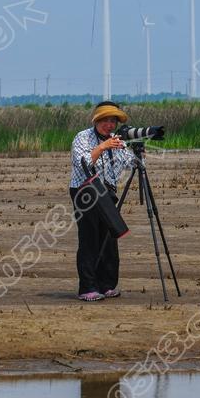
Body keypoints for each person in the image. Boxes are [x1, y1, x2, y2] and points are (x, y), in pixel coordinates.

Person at [69, 101, 135, 301]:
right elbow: (83, 164)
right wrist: (103, 146)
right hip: (85, 191)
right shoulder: (83, 137)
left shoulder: (117, 140)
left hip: (107, 192)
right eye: (105, 120)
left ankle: (107, 284)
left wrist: (137, 153)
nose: (110, 125)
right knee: (89, 237)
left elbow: (129, 163)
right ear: (97, 120)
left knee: (109, 238)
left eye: (113, 121)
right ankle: (87, 287)